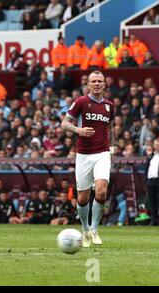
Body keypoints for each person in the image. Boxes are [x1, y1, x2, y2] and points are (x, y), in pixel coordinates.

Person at [61, 70, 114, 247]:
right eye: (94, 81)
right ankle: (84, 230)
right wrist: (79, 131)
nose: (97, 84)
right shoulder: (81, 102)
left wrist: (111, 146)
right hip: (83, 155)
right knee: (82, 198)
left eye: (100, 81)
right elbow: (64, 123)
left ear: (105, 84)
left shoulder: (109, 105)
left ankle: (94, 229)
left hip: (102, 153)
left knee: (101, 191)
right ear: (89, 84)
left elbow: (110, 128)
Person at [145, 138, 159, 226]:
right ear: (153, 146)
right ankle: (154, 220)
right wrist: (146, 181)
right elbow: (146, 169)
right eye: (156, 145)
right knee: (152, 202)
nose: (157, 146)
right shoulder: (150, 156)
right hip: (150, 181)